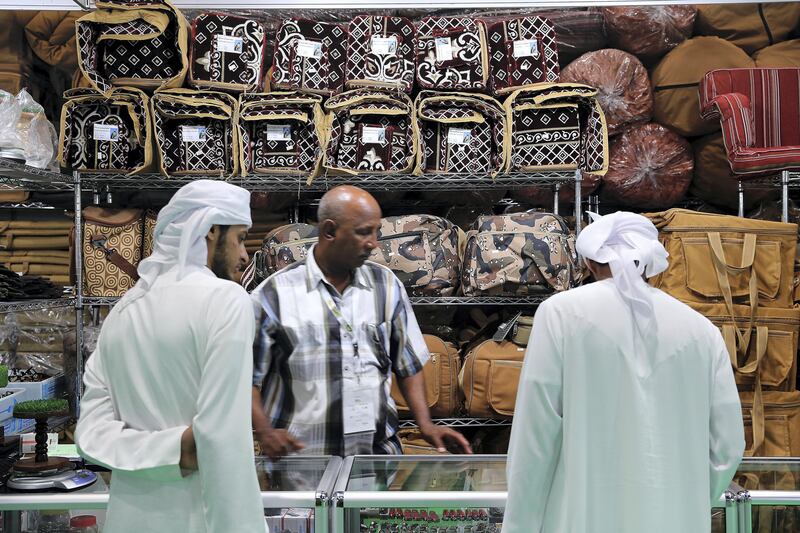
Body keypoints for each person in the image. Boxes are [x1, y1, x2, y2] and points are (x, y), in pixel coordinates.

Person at [504, 211, 744, 533]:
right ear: (648, 262)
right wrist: (682, 500)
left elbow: (535, 439)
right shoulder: (702, 331)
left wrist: (520, 525)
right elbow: (727, 448)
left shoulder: (560, 314)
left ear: (588, 262)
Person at [75, 180, 267, 533]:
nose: (244, 255)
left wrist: (166, 450)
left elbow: (90, 435)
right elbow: (222, 440)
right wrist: (184, 447)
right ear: (211, 232)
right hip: (201, 519)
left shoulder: (122, 312)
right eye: (240, 238)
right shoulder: (226, 300)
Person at [251, 185, 471, 457]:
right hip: (300, 464)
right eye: (363, 232)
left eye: (376, 232)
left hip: (374, 459)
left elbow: (407, 363)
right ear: (329, 231)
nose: (373, 243)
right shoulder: (273, 295)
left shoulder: (386, 285)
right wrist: (264, 432)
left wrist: (425, 424)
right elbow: (245, 378)